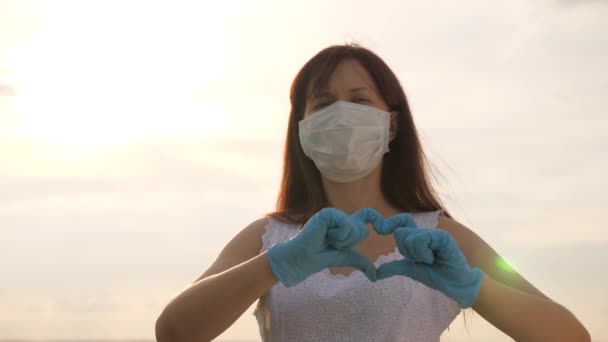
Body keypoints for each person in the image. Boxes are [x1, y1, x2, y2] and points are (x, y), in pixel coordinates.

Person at [155, 44, 591, 342]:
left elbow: (572, 336)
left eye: (360, 100)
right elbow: (173, 331)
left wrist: (473, 287)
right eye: (323, 105)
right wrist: (274, 264)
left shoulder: (442, 238)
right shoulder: (268, 236)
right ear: (303, 131)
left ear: (392, 124)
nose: (342, 114)